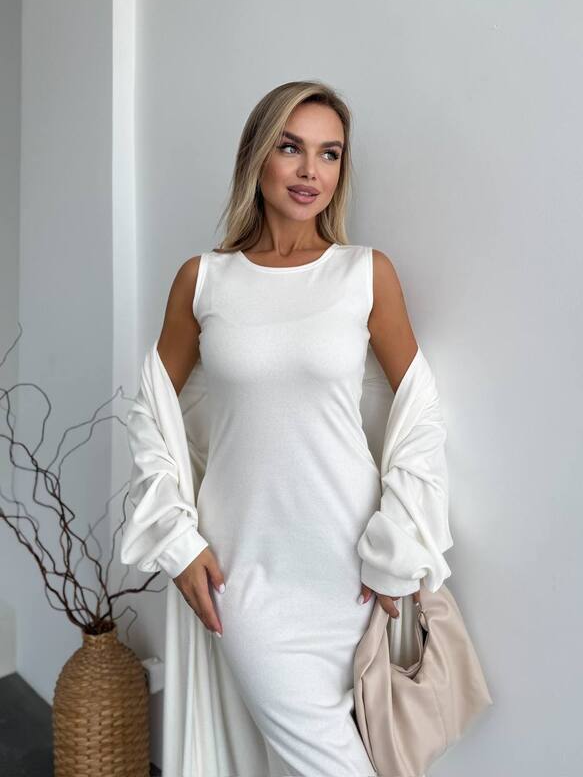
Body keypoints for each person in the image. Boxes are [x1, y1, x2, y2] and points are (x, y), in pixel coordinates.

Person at [155, 80, 421, 776]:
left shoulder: (365, 274)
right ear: (256, 156)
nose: (310, 171)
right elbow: (150, 410)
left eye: (329, 153)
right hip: (246, 571)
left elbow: (419, 411)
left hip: (352, 566)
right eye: (291, 147)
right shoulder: (203, 281)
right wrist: (175, 540)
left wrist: (399, 542)